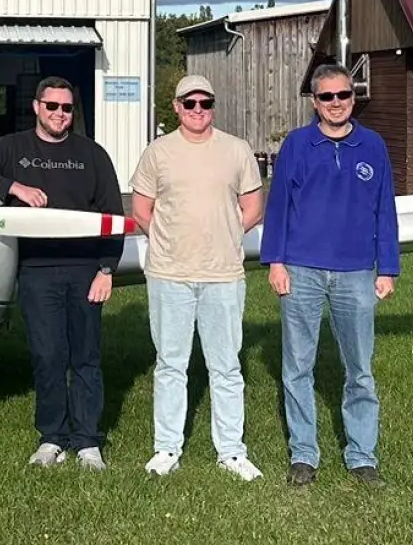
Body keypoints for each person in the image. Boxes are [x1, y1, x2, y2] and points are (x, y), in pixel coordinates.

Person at [0, 76, 126, 471]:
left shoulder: (92, 154)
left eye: (66, 108)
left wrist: (106, 269)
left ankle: (87, 441)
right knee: (48, 356)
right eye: (52, 107)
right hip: (36, 270)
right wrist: (14, 186)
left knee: (85, 356)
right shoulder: (13, 148)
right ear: (37, 107)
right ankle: (52, 437)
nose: (60, 115)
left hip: (85, 270)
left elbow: (113, 215)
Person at [261, 62, 398, 487]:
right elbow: (278, 206)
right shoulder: (297, 146)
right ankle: (304, 453)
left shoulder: (373, 146)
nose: (335, 103)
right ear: (314, 101)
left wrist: (387, 268)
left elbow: (385, 210)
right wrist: (276, 263)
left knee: (359, 369)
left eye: (343, 95)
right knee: (297, 367)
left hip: (356, 271)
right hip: (301, 269)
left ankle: (362, 455)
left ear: (353, 99)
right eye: (327, 97)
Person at [129, 75, 264, 481]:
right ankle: (167, 448)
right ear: (176, 107)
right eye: (191, 103)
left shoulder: (237, 151)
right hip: (169, 275)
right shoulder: (158, 152)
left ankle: (232, 452)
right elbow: (141, 210)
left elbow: (253, 208)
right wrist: (171, 243)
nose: (199, 110)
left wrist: (222, 236)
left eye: (206, 103)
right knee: (171, 364)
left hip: (223, 275)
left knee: (226, 367)